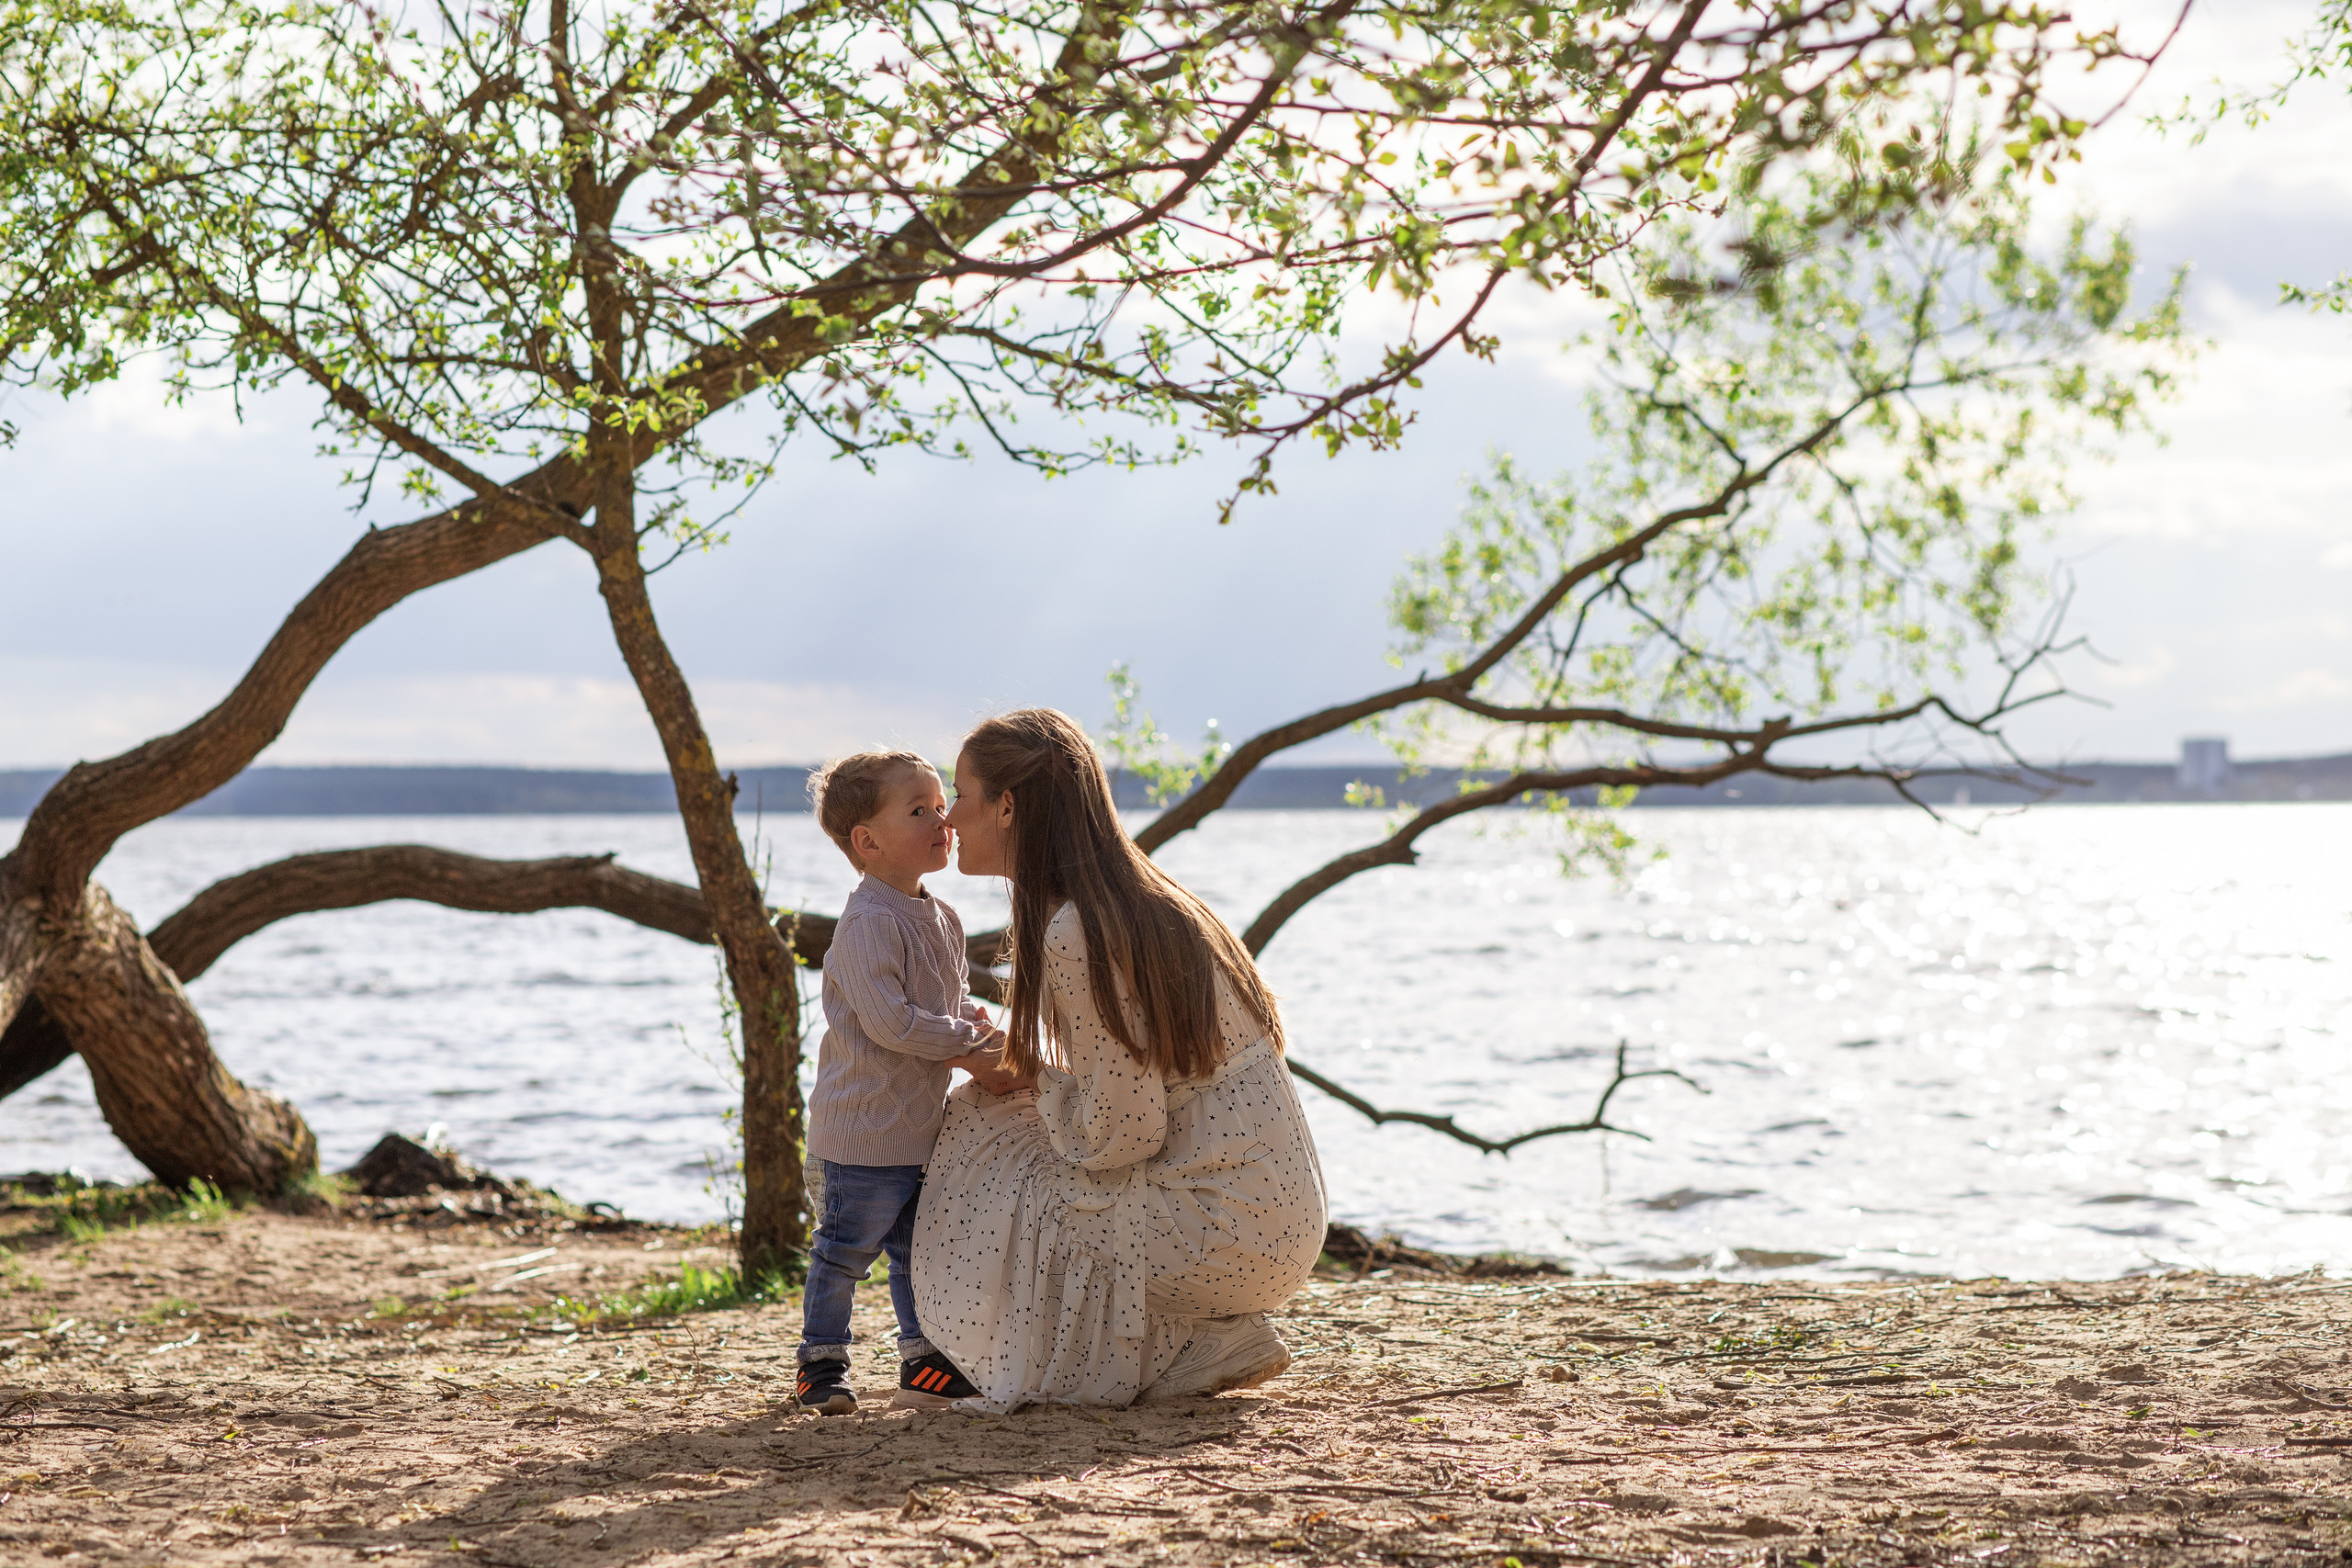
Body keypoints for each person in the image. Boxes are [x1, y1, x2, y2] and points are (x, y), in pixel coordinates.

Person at [911, 709, 1329, 1412]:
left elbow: (1125, 1134)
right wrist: (1042, 1075)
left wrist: (1030, 1080)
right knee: (1018, 1131)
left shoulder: (1078, 927)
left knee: (981, 1131)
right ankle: (1195, 1340)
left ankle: (957, 1357)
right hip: (1281, 1220)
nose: (949, 816)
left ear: (1007, 806)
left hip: (1226, 1228)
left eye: (960, 794)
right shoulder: (1149, 899)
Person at [797, 750, 1002, 1415]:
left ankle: (922, 1360)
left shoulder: (941, 917)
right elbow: (892, 1023)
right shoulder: (867, 922)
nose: (942, 821)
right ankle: (820, 1363)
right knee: (842, 1254)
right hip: (861, 1131)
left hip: (918, 1128)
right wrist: (967, 1040)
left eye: (942, 806)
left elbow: (946, 1002)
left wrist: (976, 1020)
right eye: (920, 810)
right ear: (867, 841)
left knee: (918, 1250)